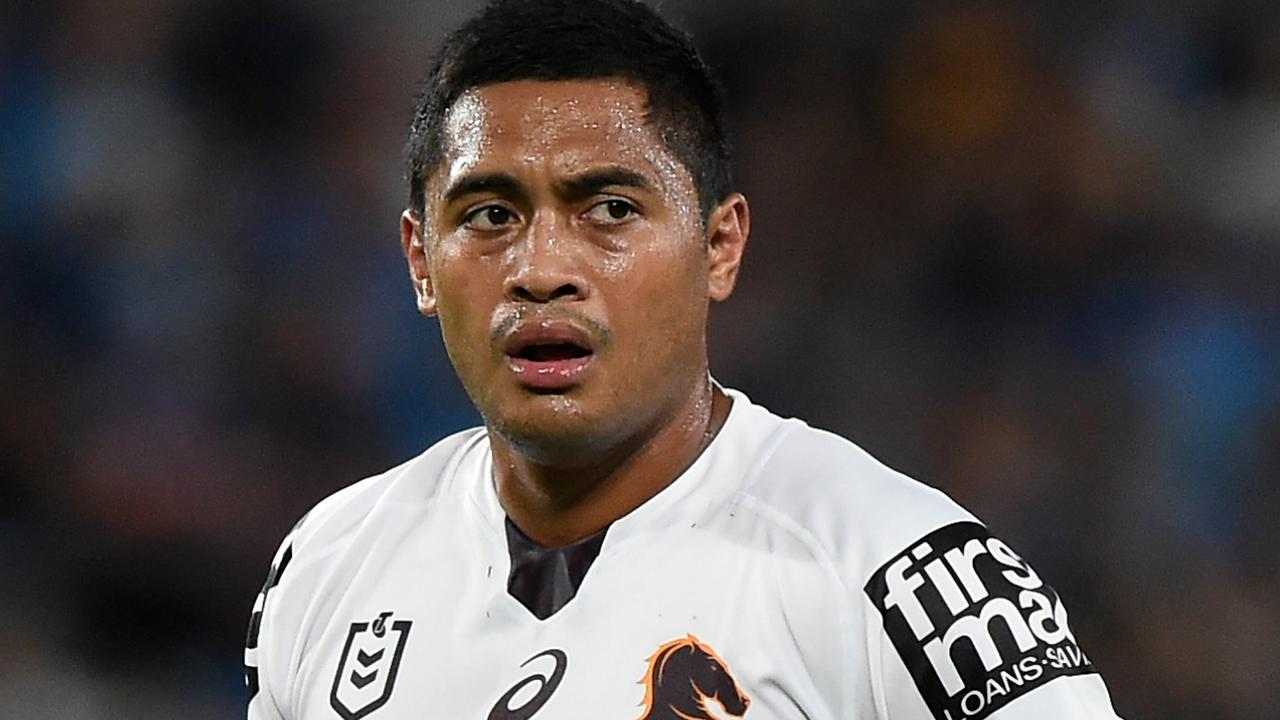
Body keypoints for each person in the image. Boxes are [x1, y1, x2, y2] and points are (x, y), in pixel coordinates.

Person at [245, 1, 1124, 718]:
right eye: (488, 215)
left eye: (611, 209)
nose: (542, 269)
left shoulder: (904, 578)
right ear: (419, 261)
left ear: (720, 247)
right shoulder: (330, 566)